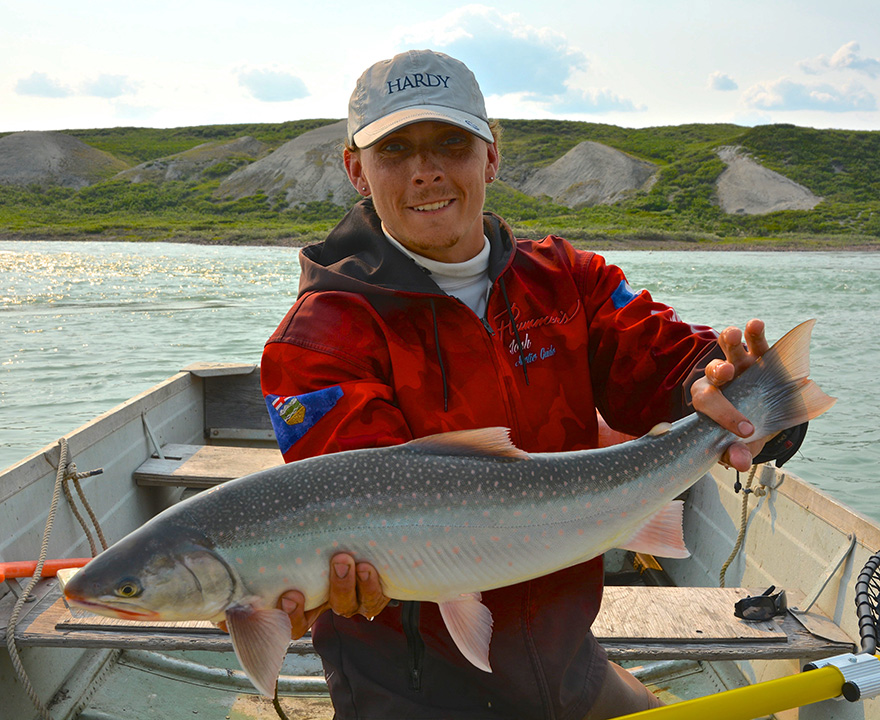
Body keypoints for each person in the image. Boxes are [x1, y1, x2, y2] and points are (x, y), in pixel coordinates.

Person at [260, 49, 787, 719]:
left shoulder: (571, 280)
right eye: (396, 150)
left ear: (492, 155)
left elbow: (676, 367)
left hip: (570, 665)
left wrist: (746, 398)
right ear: (356, 169)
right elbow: (355, 507)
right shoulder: (317, 338)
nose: (427, 171)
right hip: (411, 691)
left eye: (452, 143)